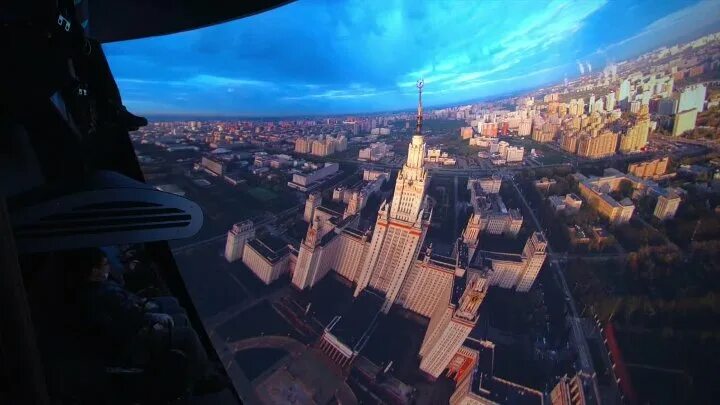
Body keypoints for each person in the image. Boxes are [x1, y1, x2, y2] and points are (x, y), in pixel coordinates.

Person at [79, 248, 224, 393]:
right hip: (134, 342)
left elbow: (127, 305)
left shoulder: (101, 287)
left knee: (178, 313)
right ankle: (201, 380)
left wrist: (144, 305)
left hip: (136, 326)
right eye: (104, 264)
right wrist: (150, 321)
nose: (108, 266)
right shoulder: (101, 293)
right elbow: (127, 320)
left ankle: (198, 363)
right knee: (188, 335)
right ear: (94, 272)